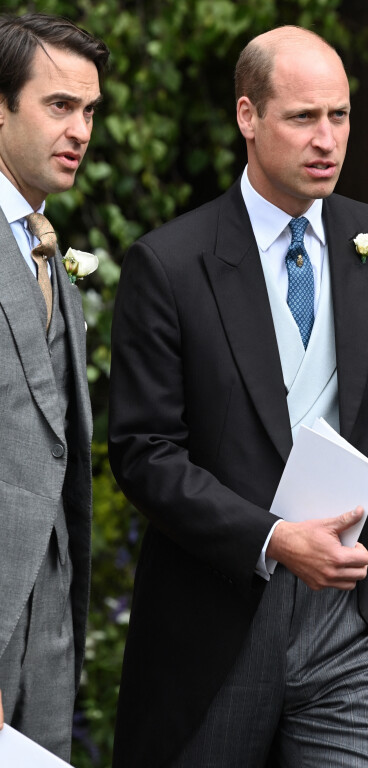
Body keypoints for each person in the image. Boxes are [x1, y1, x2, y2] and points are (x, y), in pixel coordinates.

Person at [109, 25, 368, 768]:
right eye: (303, 118)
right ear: (247, 117)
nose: (327, 139)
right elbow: (143, 455)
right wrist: (270, 538)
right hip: (218, 622)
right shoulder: (168, 264)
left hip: (354, 623)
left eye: (341, 115)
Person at [0, 12, 109, 760]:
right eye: (59, 105)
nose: (80, 129)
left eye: (90, 111)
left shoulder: (45, 250)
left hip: (48, 618)